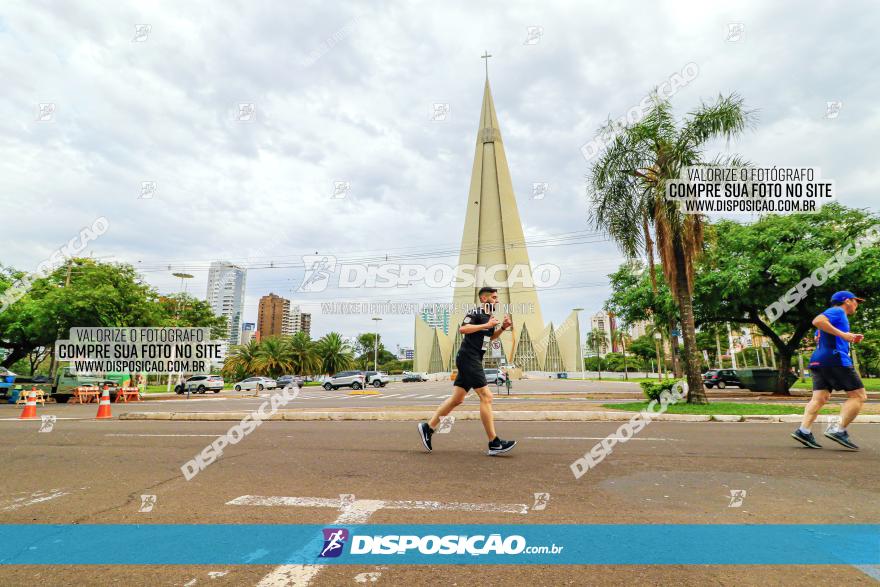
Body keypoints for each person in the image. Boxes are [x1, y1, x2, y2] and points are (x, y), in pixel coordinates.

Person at [418, 287, 516, 456]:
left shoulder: (489, 318)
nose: (497, 300)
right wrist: (487, 324)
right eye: (494, 297)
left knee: (457, 399)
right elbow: (463, 329)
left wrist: (502, 328)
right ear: (484, 299)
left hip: (474, 358)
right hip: (468, 357)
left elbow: (489, 338)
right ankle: (494, 443)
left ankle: (428, 427)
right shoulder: (477, 313)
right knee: (487, 397)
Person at [791, 291, 866, 450]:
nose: (857, 304)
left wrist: (848, 336)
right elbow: (817, 321)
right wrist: (844, 336)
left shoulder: (834, 320)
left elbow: (822, 334)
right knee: (858, 396)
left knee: (820, 398)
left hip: (818, 360)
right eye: (855, 301)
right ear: (847, 301)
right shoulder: (838, 311)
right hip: (835, 359)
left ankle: (804, 431)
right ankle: (838, 429)